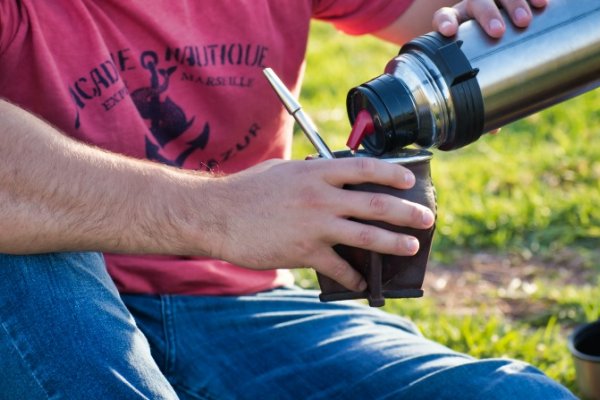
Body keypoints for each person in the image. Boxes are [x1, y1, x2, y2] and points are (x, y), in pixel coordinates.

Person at [0, 0, 575, 398]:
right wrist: (220, 212)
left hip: (235, 307)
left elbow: (448, 11)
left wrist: (491, 19)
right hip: (43, 286)